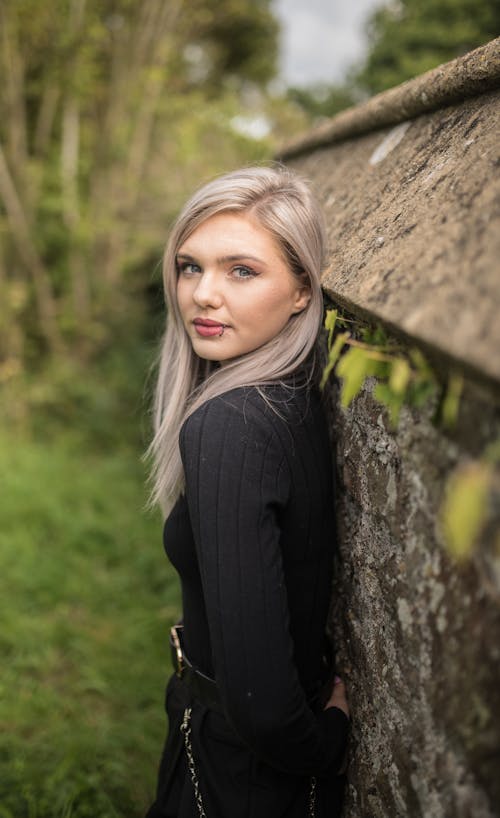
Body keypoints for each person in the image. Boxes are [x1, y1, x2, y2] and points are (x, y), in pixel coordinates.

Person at [145, 165, 350, 818]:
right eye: (189, 266)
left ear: (300, 291)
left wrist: (327, 742)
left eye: (241, 271)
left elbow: (261, 705)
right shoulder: (286, 396)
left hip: (241, 774)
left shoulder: (231, 425)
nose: (204, 294)